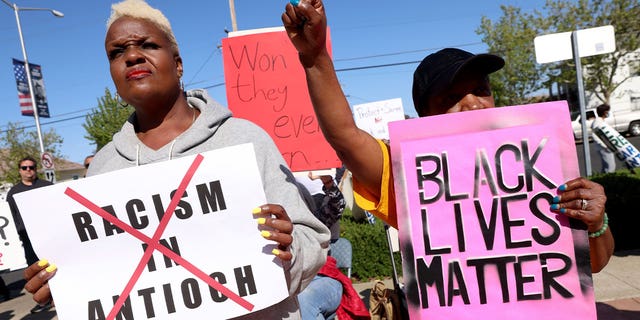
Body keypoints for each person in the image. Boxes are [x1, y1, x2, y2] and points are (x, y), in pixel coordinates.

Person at [23, 1, 330, 319]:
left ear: (178, 63)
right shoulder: (102, 168)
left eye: (147, 45)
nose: (131, 56)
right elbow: (103, 280)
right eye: (117, 53)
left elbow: (313, 242)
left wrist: (287, 251)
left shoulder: (244, 139)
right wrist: (64, 287)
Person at [281, 0, 614, 273]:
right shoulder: (413, 178)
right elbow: (345, 136)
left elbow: (594, 264)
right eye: (452, 97)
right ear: (425, 118)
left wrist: (595, 221)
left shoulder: (540, 161)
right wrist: (315, 58)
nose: (472, 105)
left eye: (481, 90)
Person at [296, 171, 369, 320]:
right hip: (292, 284)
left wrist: (328, 183)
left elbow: (337, 206)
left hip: (322, 278)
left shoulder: (316, 219)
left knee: (304, 298)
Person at [5, 156, 53, 312]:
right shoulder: (13, 192)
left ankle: (59, 297)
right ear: (20, 170)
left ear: (36, 169)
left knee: (54, 266)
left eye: (31, 167)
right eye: (25, 168)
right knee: (36, 271)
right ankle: (44, 300)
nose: (28, 171)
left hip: (50, 235)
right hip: (28, 239)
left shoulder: (46, 186)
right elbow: (14, 216)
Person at [591, 104, 616, 173]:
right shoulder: (597, 122)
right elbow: (595, 135)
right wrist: (605, 145)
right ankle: (608, 181)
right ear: (605, 112)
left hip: (605, 147)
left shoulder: (601, 121)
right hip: (603, 148)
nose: (608, 113)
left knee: (606, 166)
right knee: (610, 167)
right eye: (608, 111)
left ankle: (602, 181)